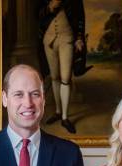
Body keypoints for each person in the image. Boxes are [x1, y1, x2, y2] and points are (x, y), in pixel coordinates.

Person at [38, 0, 87, 134]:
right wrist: (49, 7)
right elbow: (38, 15)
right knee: (54, 77)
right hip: (48, 39)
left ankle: (65, 118)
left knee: (65, 78)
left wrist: (79, 38)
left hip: (67, 38)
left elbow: (80, 17)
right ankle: (58, 112)